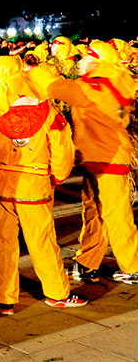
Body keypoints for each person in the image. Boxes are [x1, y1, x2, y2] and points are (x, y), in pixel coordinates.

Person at [0, 56, 87, 315]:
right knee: (43, 242)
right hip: (35, 187)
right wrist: (56, 177)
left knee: (1, 243)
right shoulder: (48, 113)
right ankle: (57, 293)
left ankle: (3, 298)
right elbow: (63, 153)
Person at [28, 41, 138, 285]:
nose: (81, 61)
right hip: (99, 157)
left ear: (98, 61)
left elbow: (59, 88)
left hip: (106, 159)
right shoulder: (114, 82)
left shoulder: (99, 85)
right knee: (96, 214)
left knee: (116, 216)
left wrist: (34, 71)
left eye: (87, 57)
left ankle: (133, 266)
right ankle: (88, 263)